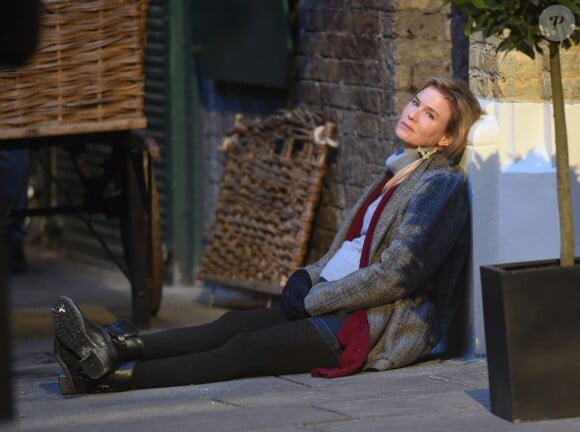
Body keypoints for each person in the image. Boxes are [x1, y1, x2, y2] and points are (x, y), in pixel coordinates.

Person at [51, 77, 483, 395]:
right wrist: (306, 277)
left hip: (369, 326)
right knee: (230, 324)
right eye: (414, 102)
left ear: (446, 137)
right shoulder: (397, 170)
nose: (411, 112)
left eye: (429, 114)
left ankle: (106, 377)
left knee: (245, 350)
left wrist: (313, 299)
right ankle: (111, 344)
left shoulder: (438, 186)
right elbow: (347, 249)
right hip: (335, 302)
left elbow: (396, 276)